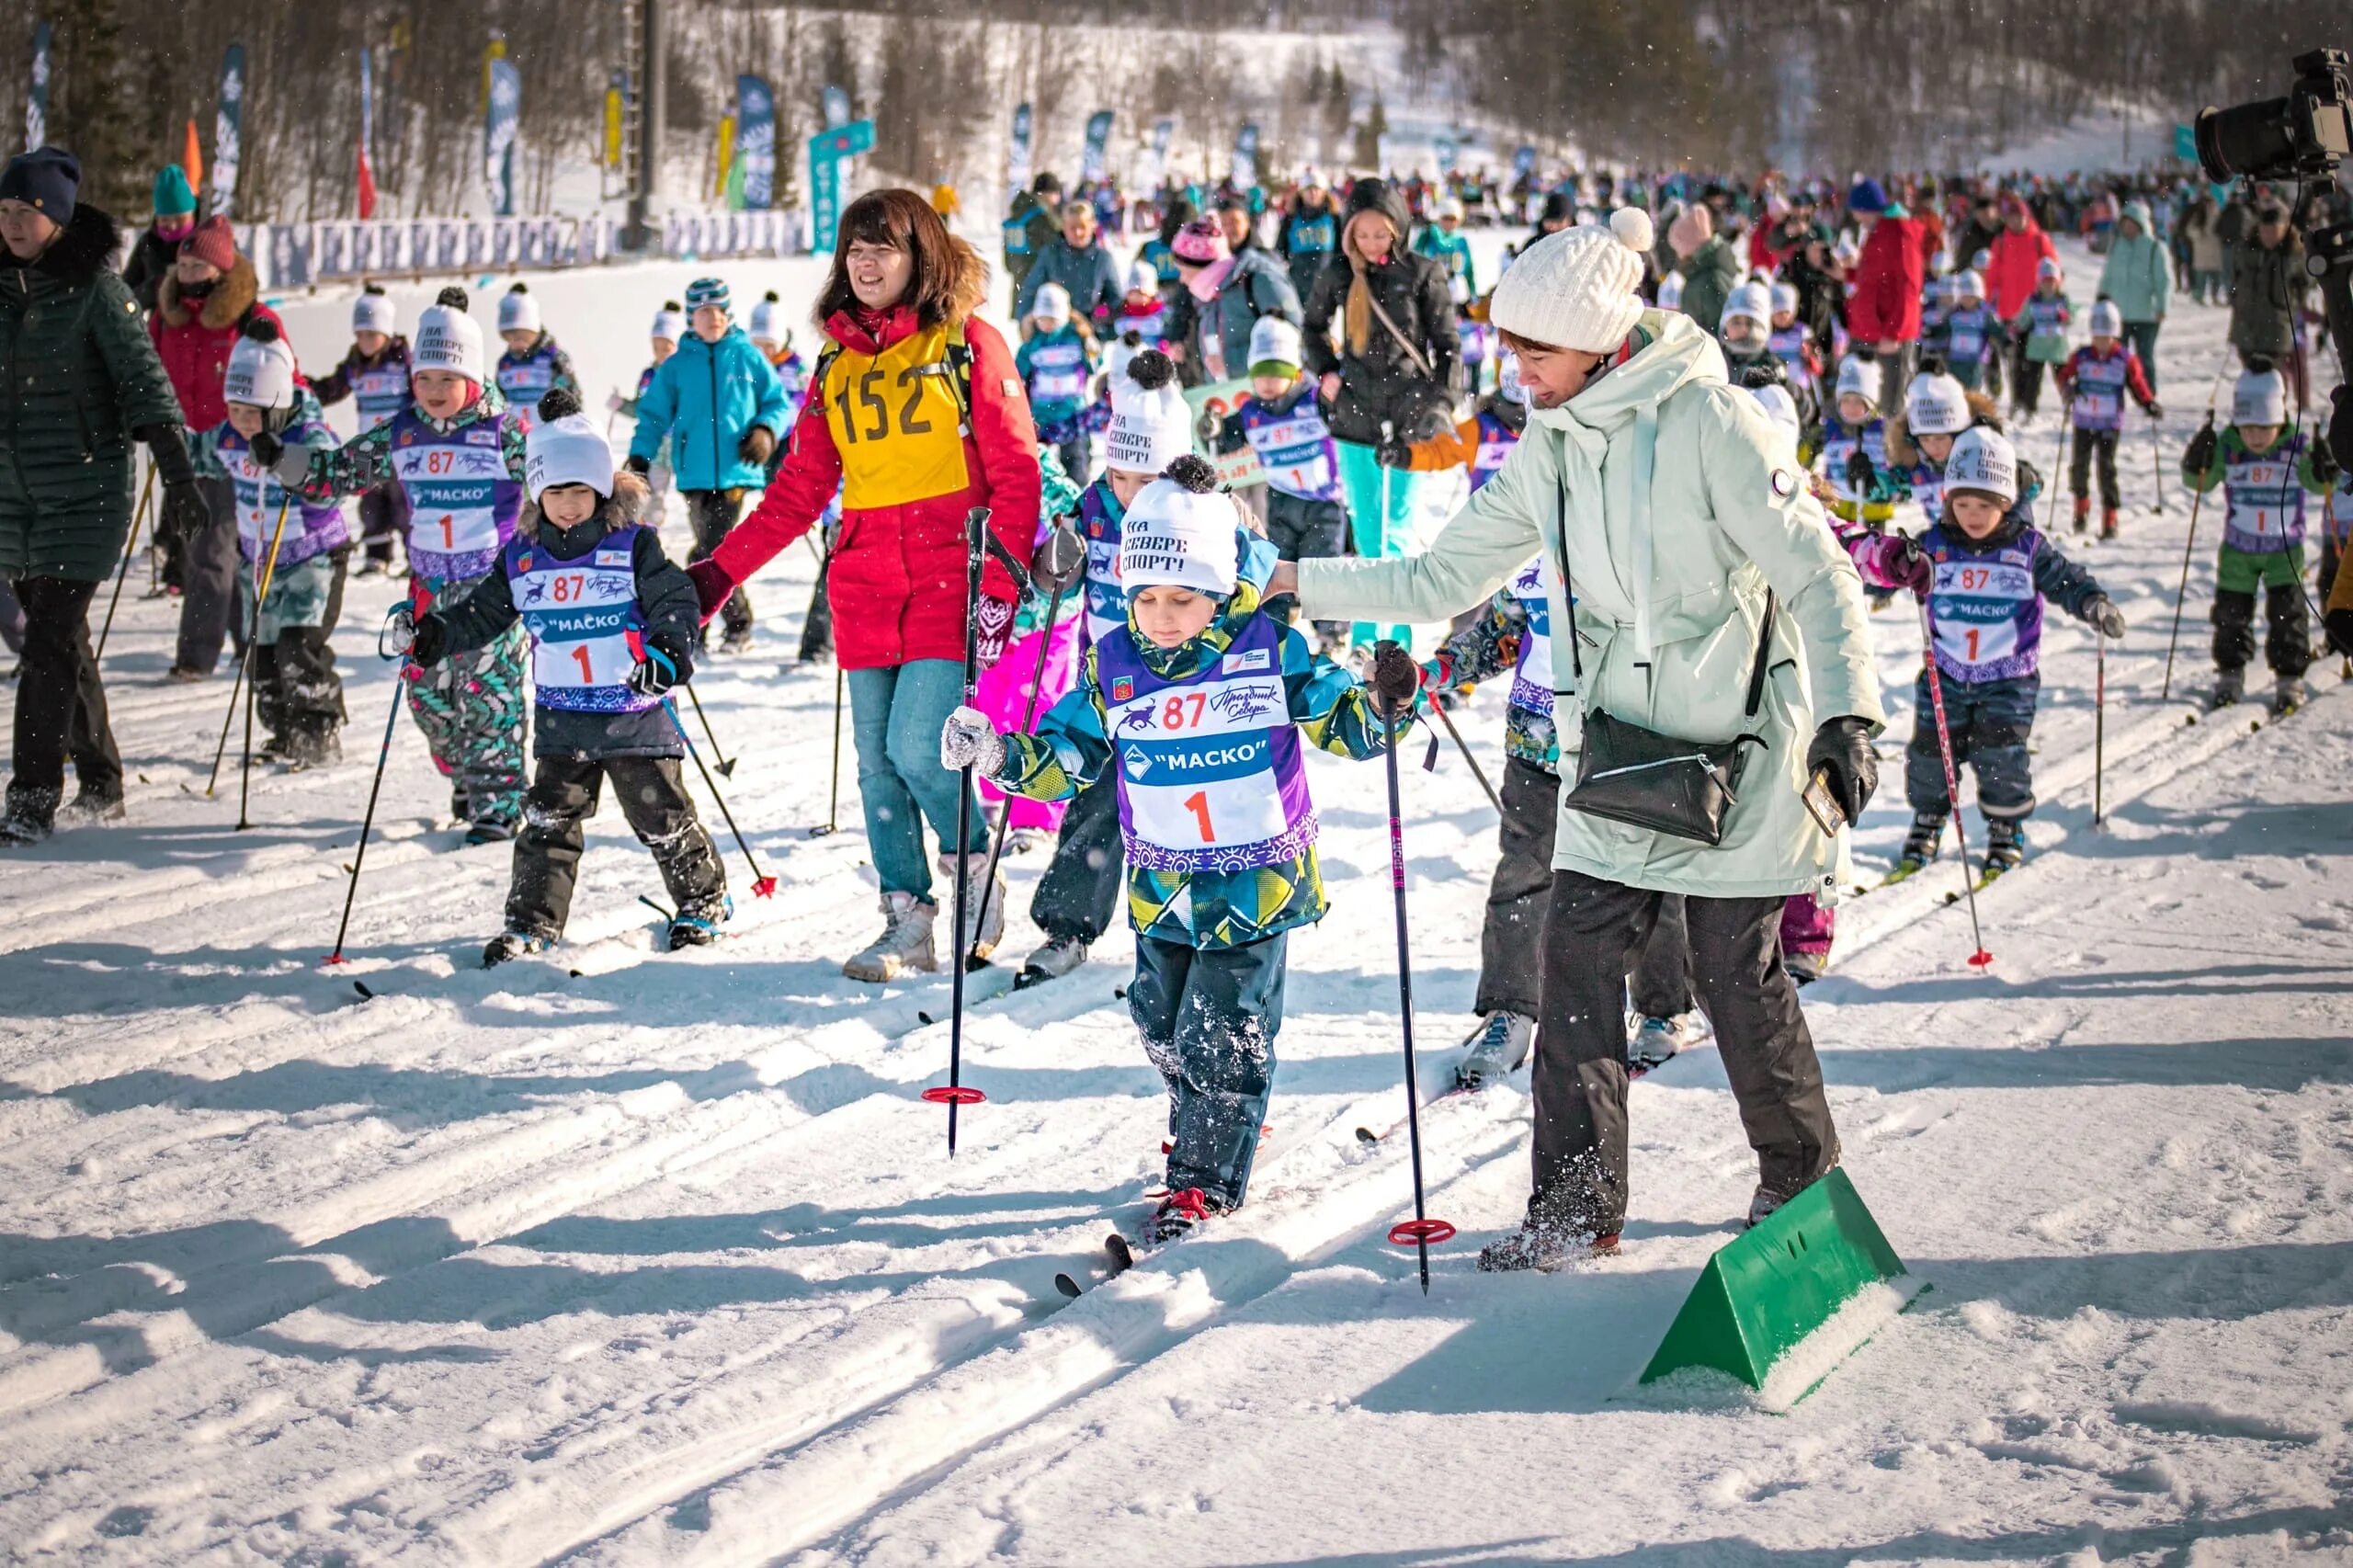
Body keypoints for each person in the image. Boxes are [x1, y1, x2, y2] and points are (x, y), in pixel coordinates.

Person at [1274, 207, 1883, 1264]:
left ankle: (1799, 1181)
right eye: (1506, 346)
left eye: (1535, 350)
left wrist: (1847, 714)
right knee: (1573, 966)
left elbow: (1817, 571)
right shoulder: (1549, 447)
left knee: (1734, 974)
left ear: (1603, 341)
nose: (1515, 370)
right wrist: (1289, 579)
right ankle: (1571, 1208)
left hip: (1741, 747)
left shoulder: (1713, 424)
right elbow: (1439, 578)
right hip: (1621, 753)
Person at [939, 455, 1410, 1244]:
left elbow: (1350, 728)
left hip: (1255, 877)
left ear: (1221, 589)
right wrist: (997, 754)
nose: (1160, 615)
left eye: (1182, 599)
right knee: (1160, 1020)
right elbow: (1068, 755)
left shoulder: (1269, 646)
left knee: (1221, 1027)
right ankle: (1212, 1114)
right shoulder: (1114, 661)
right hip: (1162, 882)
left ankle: (1203, 1178)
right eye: (1145, 597)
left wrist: (1390, 698)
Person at [682, 188, 1041, 982]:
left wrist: (1003, 588)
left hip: (954, 574)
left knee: (921, 745)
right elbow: (797, 493)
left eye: (884, 248)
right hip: (866, 580)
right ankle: (905, 920)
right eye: (855, 249)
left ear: (922, 257)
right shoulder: (836, 364)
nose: (867, 262)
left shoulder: (968, 344)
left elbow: (1017, 474)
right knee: (877, 763)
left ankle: (974, 867)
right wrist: (715, 574)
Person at [400, 390, 726, 964]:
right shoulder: (522, 555)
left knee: (661, 816)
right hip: (563, 717)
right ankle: (530, 925)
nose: (570, 505)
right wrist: (432, 635)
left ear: (602, 489)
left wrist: (668, 654)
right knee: (548, 825)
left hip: (632, 713)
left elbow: (673, 600)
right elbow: (482, 614)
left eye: (582, 491)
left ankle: (702, 902)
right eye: (556, 492)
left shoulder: (633, 543)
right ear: (536, 493)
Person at [264, 288, 531, 843]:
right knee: (428, 697)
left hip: (491, 587)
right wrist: (284, 461)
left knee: (488, 695)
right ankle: (466, 774)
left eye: (447, 379)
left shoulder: (503, 432)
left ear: (473, 379)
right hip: (428, 588)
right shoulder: (402, 432)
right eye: (424, 379)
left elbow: (554, 479)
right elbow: (338, 473)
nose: (433, 391)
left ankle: (497, 802)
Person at [0, 147, 206, 843]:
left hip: (84, 493)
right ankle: (101, 776)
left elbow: (144, 382)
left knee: (49, 639)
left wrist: (178, 474)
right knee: (60, 642)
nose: (12, 224)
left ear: (54, 217)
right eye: (2, 212)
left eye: (24, 212)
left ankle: (31, 797)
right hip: (13, 495)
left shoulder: (95, 288)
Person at [1865, 427, 2121, 883]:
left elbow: (2066, 579)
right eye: (1962, 505)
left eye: (1984, 505)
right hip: (1946, 669)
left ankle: (2006, 827)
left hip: (2008, 676)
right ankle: (1928, 819)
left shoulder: (2026, 547)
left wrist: (2092, 602)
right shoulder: (1935, 545)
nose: (1973, 516)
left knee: (2000, 752)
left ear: (2005, 501)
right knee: (1931, 753)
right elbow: (1889, 569)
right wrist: (1867, 575)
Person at [1301, 176, 1459, 654]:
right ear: (1348, 232)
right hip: (1354, 418)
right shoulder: (1338, 273)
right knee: (1369, 536)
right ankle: (1369, 637)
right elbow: (1311, 327)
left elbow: (1448, 345)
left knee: (1400, 531)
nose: (1371, 244)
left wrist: (1440, 405)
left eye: (1380, 233)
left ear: (1398, 229)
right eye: (1362, 234)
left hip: (1410, 419)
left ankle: (1399, 637)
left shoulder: (1423, 273)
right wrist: (1325, 370)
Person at [189, 320, 351, 768]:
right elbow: (195, 451)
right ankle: (282, 731)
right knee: (259, 655)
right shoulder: (226, 435)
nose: (242, 423)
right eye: (235, 410)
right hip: (258, 562)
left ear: (278, 404)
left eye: (253, 413)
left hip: (313, 559)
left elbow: (334, 481)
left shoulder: (307, 433)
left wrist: (286, 462)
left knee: (298, 649)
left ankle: (317, 730)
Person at [149, 213, 281, 682]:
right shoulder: (167, 317)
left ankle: (197, 655)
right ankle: (252, 644)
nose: (187, 275)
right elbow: (148, 372)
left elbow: (285, 379)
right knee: (219, 550)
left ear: (221, 271)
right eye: (182, 266)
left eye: (197, 267)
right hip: (186, 448)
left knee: (213, 552)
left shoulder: (252, 319)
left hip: (237, 448)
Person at [623, 278, 787, 655]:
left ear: (729, 315)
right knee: (709, 550)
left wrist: (764, 433)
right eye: (702, 312)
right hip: (694, 474)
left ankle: (731, 622)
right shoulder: (678, 366)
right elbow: (652, 416)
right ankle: (702, 617)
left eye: (719, 311)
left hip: (736, 470)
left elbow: (777, 403)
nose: (712, 318)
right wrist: (639, 459)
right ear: (690, 319)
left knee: (713, 549)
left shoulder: (747, 356)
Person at [2181, 366, 2329, 715]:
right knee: (2231, 616)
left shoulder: (2295, 447)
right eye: (2248, 428)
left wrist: (2326, 465)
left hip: (2284, 552)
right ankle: (2230, 673)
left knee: (2288, 616)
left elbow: (2320, 485)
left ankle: (2289, 676)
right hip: (2238, 550)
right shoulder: (2229, 448)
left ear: (2281, 420)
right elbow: (2200, 483)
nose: (2256, 437)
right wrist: (2196, 460)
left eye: (2264, 428)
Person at [1213, 316, 1347, 641]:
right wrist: (1214, 429)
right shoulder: (1252, 412)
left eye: (1279, 373)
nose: (1269, 382)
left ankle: (1331, 632)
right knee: (1276, 564)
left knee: (1321, 567)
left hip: (1323, 503)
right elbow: (1228, 437)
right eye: (1261, 374)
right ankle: (1274, 631)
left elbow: (1344, 415)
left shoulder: (1314, 402)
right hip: (1282, 500)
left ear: (1297, 374)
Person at [309, 285, 413, 576]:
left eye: (372, 334)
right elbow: (331, 390)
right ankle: (376, 555)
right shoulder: (354, 366)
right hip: (368, 448)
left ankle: (415, 557)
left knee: (403, 503)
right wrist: (304, 388)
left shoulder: (404, 362)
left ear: (386, 332)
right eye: (360, 334)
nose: (365, 341)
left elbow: (421, 396)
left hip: (400, 446)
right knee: (371, 503)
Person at [2055, 301, 2160, 540]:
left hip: (2109, 423)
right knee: (2079, 466)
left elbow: (2137, 384)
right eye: (2097, 337)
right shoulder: (2082, 356)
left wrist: (2148, 403)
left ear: (2115, 335)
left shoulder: (2123, 359)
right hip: (2083, 420)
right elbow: (2063, 375)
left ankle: (2110, 515)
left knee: (2106, 469)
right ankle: (2081, 505)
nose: (2101, 343)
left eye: (2107, 337)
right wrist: (2067, 390)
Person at [1163, 214, 1303, 388]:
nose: (1182, 280)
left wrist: (1232, 363)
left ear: (1204, 267)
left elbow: (1293, 338)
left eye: (1184, 270)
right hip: (1229, 401)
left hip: (1267, 402)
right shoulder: (1211, 293)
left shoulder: (1259, 280)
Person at [1845, 179, 1925, 418]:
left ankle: (1892, 452)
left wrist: (1894, 332)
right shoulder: (1877, 232)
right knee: (1863, 403)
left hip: (1888, 337)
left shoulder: (1899, 233)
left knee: (1890, 407)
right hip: (1868, 330)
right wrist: (1846, 273)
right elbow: (1874, 278)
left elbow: (1908, 286)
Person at [1015, 282, 1098, 483]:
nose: (1047, 324)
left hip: (1072, 412)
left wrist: (1092, 350)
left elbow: (1094, 365)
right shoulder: (1034, 342)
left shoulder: (1076, 338)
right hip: (1042, 413)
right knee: (1035, 459)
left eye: (1052, 319)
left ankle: (1077, 495)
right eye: (1042, 318)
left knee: (1075, 460)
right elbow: (1019, 370)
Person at [2228, 202, 2308, 408]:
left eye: (2274, 231)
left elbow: (2305, 284)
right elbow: (2235, 280)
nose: (2269, 235)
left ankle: (2274, 415)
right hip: (2246, 324)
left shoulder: (2293, 255)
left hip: (2277, 326)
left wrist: (2295, 303)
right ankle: (2254, 421)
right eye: (2265, 230)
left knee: (2273, 379)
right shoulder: (2246, 251)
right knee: (2250, 376)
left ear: (2284, 230)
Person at [608, 300, 684, 514]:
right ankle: (653, 519)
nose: (660, 353)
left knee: (692, 487)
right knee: (652, 489)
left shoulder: (686, 375)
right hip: (657, 444)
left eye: (666, 347)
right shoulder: (648, 376)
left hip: (682, 442)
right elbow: (642, 409)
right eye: (656, 347)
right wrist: (621, 404)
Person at [1014, 199, 1123, 333]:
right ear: (1064, 227)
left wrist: (1101, 315)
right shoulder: (1050, 254)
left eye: (1082, 227)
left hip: (1088, 331)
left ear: (1092, 226)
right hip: (1053, 331)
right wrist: (1026, 322)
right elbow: (1029, 292)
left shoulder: (1103, 259)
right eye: (1072, 227)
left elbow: (1115, 300)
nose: (1077, 233)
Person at [2097, 199, 2171, 393]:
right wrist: (2101, 300)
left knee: (2144, 357)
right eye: (2125, 223)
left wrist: (2163, 306)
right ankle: (2115, 393)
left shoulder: (2154, 247)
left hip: (2147, 314)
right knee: (2116, 357)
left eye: (2132, 223)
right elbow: (2108, 276)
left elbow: (2163, 281)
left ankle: (2147, 395)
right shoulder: (2117, 247)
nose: (2128, 227)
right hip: (2119, 314)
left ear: (2141, 224)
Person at [493, 284, 579, 426]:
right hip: (516, 439)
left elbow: (571, 398)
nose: (516, 343)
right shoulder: (505, 363)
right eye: (510, 337)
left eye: (522, 337)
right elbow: (497, 400)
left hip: (548, 435)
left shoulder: (553, 358)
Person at [121, 164, 198, 312]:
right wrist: (150, 291)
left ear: (192, 214)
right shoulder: (148, 245)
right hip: (158, 330)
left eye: (180, 219)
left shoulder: (210, 240)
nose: (173, 226)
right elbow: (125, 295)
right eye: (165, 220)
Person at [2006, 257, 2072, 421]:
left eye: (2052, 281)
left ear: (2058, 282)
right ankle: (2030, 410)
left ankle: (2070, 406)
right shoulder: (2033, 300)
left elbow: (2072, 317)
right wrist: (2014, 327)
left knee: (2063, 379)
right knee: (2032, 382)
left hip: (2058, 349)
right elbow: (2023, 319)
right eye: (2045, 281)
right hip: (2036, 349)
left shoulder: (2062, 300)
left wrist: (2066, 316)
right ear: (2039, 282)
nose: (2049, 285)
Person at [1278, 172, 1340, 301]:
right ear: (1301, 192)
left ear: (1324, 192)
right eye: (1308, 189)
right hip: (1298, 282)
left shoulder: (1334, 218)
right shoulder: (1291, 218)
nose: (1313, 193)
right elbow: (1279, 250)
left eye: (1317, 189)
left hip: (1327, 284)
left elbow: (1341, 250)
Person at [1002, 172, 1063, 304]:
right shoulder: (1042, 215)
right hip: (1038, 280)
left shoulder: (1019, 210)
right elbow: (1059, 241)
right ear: (1048, 193)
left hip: (1019, 279)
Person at [1415, 198, 1478, 302]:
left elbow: (1468, 269)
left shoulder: (1460, 240)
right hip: (1430, 285)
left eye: (1452, 219)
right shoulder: (1428, 234)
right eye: (1445, 218)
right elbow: (1414, 257)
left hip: (1454, 289)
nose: (1449, 222)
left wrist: (1473, 293)